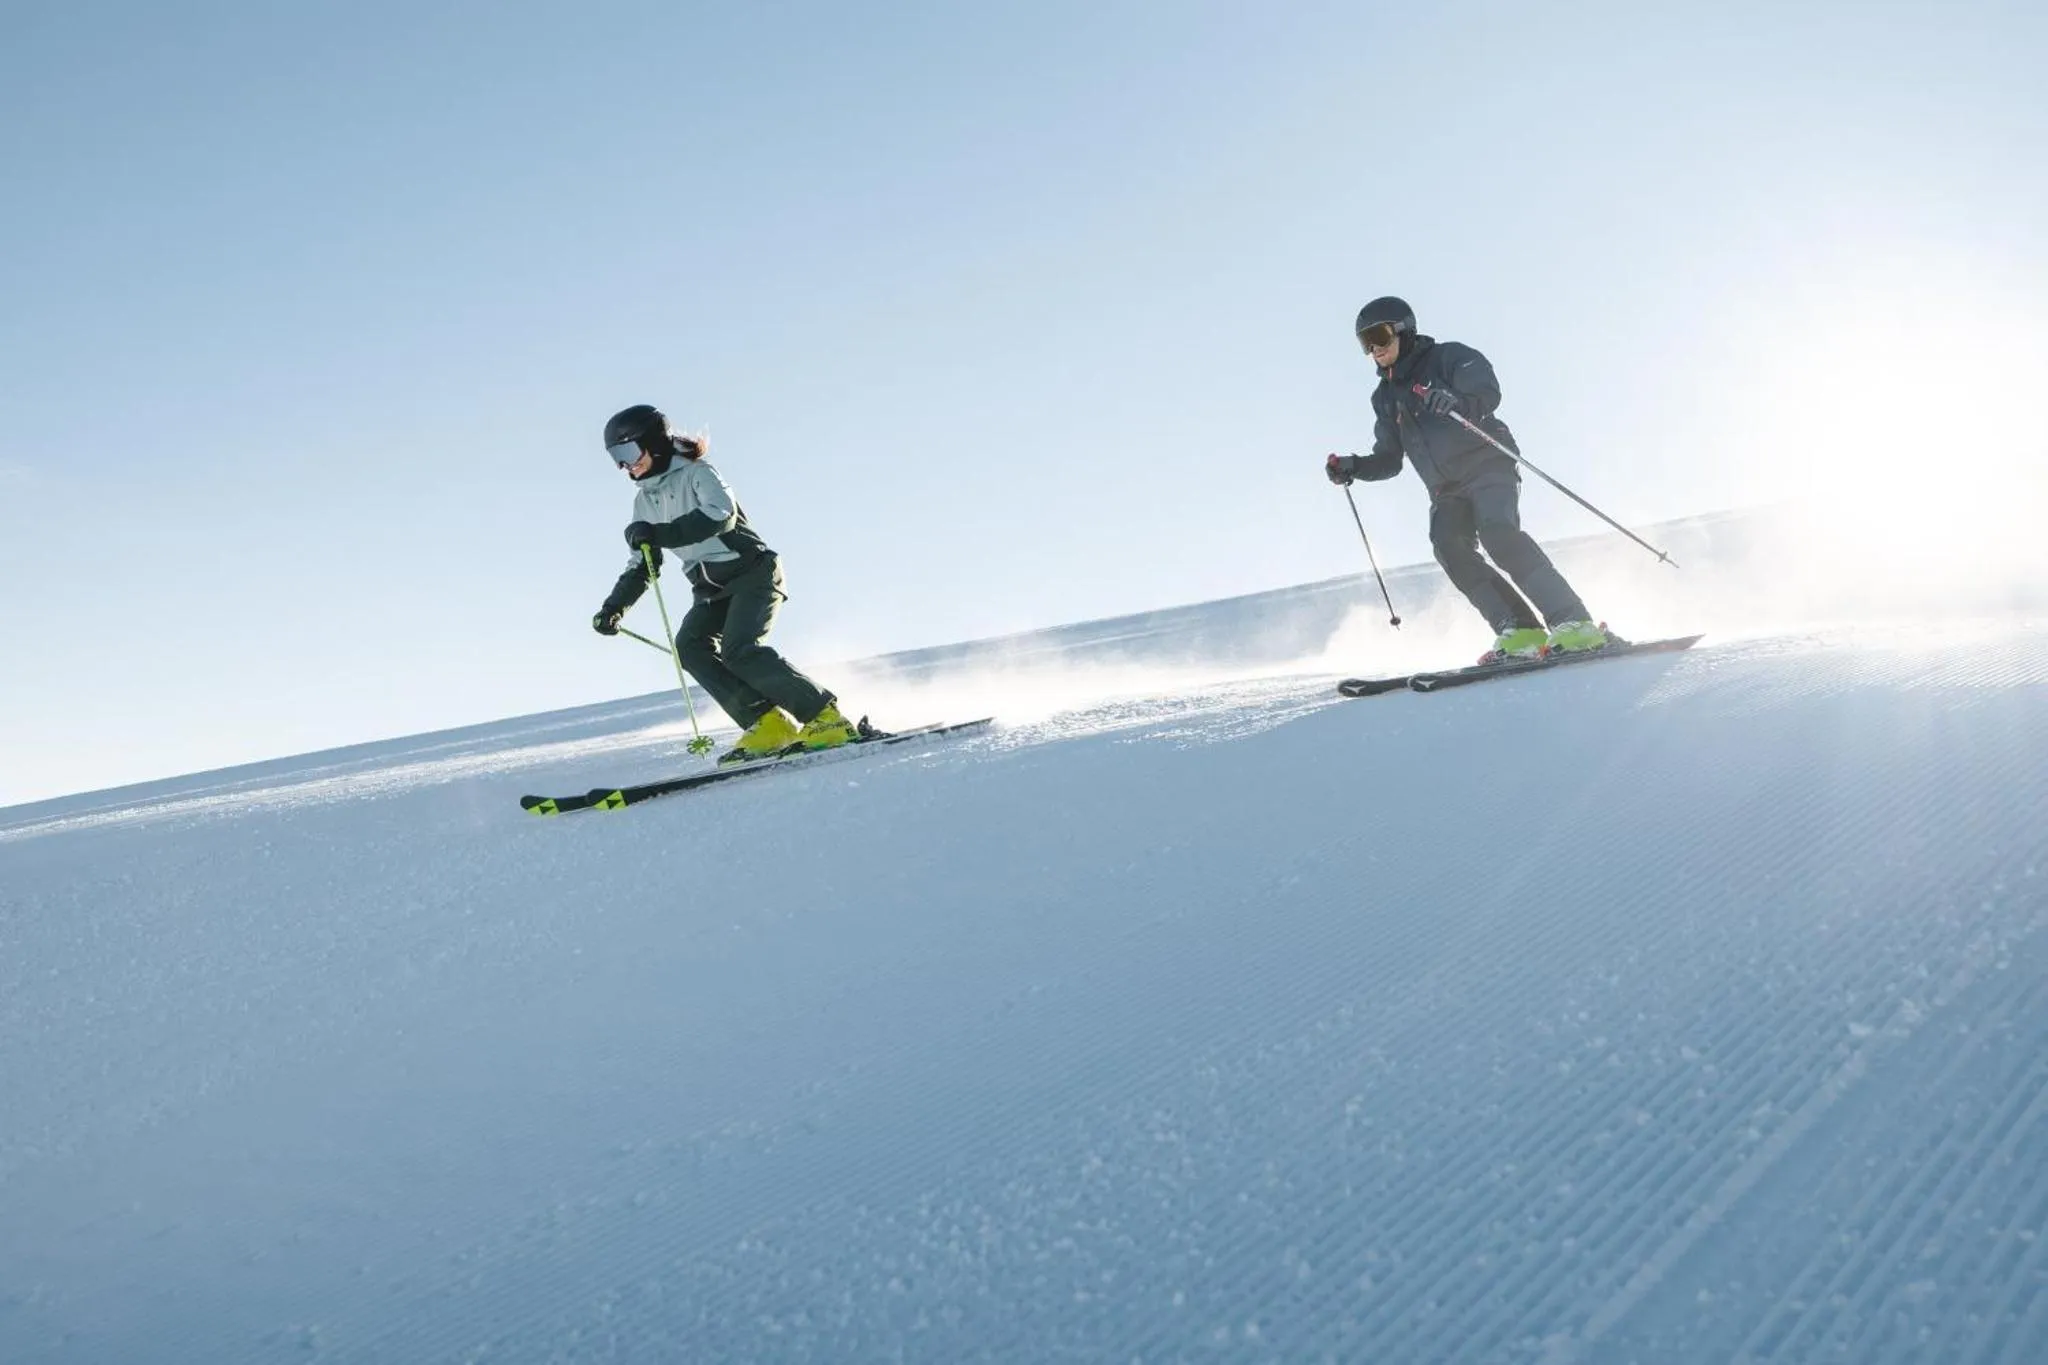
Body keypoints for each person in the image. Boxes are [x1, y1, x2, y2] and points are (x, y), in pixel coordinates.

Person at [1325, 297, 1609, 662]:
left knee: (1497, 533)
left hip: (1486, 463)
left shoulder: (1448, 357)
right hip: (1445, 488)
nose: (1375, 349)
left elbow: (1486, 391)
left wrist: (1455, 401)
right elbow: (1389, 460)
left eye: (1380, 336)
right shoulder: (1384, 398)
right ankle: (1520, 629)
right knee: (1449, 547)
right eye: (1366, 342)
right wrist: (1354, 467)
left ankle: (1575, 623)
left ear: (1404, 330)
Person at [592, 404, 859, 763]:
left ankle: (827, 719)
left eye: (628, 452)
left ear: (654, 443)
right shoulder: (644, 502)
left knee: (740, 650)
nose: (626, 465)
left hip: (752, 573)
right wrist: (614, 607)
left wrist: (661, 533)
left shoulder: (698, 474)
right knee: (690, 648)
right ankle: (767, 724)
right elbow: (643, 564)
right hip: (710, 590)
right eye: (616, 458)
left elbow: (720, 516)